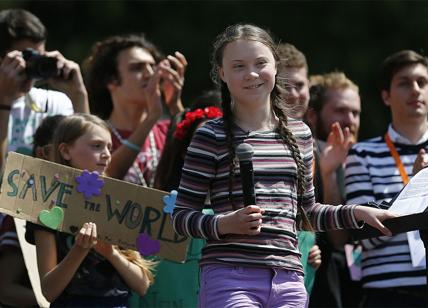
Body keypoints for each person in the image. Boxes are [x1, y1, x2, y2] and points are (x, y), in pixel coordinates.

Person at [171, 23, 395, 308]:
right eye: (238, 66)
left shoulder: (300, 134)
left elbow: (306, 214)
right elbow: (181, 217)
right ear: (223, 74)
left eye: (260, 63)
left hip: (288, 279)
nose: (251, 74)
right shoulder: (210, 135)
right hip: (230, 277)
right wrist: (224, 223)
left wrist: (357, 213)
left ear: (275, 67)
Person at [25, 113, 155, 307]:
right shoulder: (46, 207)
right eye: (96, 146)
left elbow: (143, 285)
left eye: (109, 147)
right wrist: (79, 249)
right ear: (66, 151)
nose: (107, 154)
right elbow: (49, 291)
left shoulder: (117, 203)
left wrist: (111, 253)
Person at [345, 50, 428, 307]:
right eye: (404, 83)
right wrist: (414, 188)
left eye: (422, 82)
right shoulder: (362, 154)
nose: (415, 90)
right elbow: (363, 235)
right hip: (389, 294)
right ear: (386, 96)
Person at [138, 91, 222, 308]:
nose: (211, 151)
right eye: (201, 143)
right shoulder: (159, 208)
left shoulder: (248, 203)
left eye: (221, 141)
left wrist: (305, 250)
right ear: (184, 152)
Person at [84, 33, 186, 187]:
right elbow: (104, 180)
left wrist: (175, 106)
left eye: (153, 66)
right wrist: (151, 118)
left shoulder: (168, 129)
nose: (150, 74)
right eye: (137, 68)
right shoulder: (96, 135)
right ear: (111, 80)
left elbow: (204, 156)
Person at [0, 8, 89, 171]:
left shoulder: (55, 103)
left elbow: (89, 161)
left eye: (37, 57)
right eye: (25, 57)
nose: (31, 67)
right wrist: (4, 101)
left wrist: (78, 94)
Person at [305, 72, 362, 307]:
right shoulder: (303, 157)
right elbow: (337, 237)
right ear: (313, 116)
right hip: (319, 278)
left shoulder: (363, 156)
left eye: (355, 112)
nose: (349, 119)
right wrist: (327, 173)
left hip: (358, 281)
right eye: (339, 110)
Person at [277, 42, 321, 295]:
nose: (294, 94)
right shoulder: (259, 140)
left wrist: (312, 242)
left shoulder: (313, 143)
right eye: (286, 85)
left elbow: (312, 210)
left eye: (300, 85)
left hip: (308, 267)